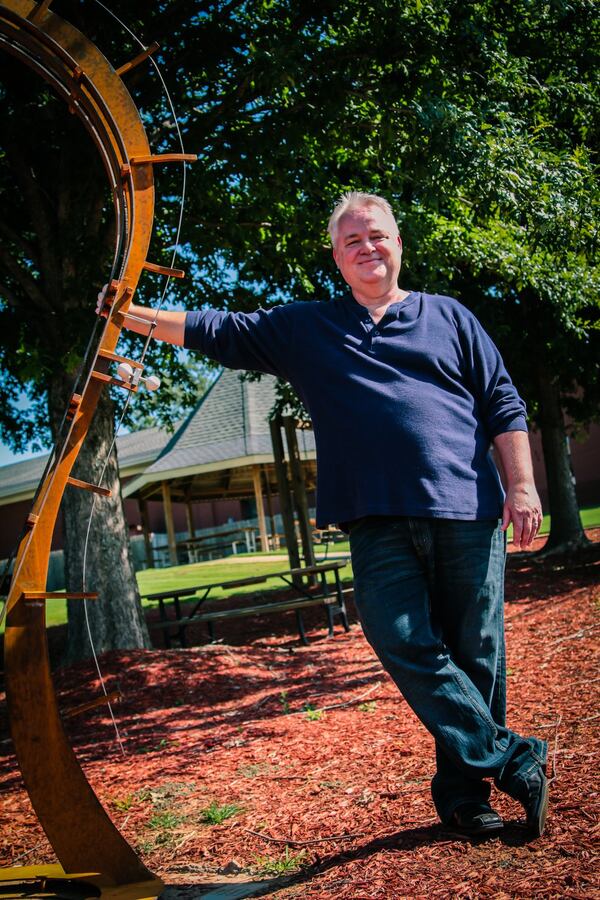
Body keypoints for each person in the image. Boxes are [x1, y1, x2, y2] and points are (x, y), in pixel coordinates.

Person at [100, 191, 548, 838]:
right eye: (353, 241)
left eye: (379, 236)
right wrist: (129, 316)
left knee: (476, 655)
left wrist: (524, 487)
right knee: (397, 635)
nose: (369, 248)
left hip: (466, 509)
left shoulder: (449, 317)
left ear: (400, 244)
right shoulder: (308, 328)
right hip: (374, 518)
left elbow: (503, 402)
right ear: (337, 258)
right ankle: (512, 758)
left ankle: (464, 795)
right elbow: (218, 330)